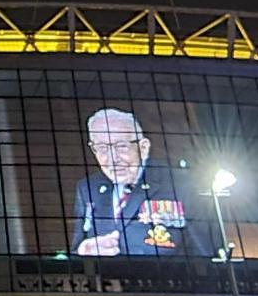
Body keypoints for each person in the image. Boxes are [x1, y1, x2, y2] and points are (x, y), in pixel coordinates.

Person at [70, 108, 211, 257]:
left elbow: (207, 253)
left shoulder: (182, 183)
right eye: (102, 148)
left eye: (121, 146)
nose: (112, 159)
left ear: (143, 148)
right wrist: (82, 252)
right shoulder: (88, 189)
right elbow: (77, 250)